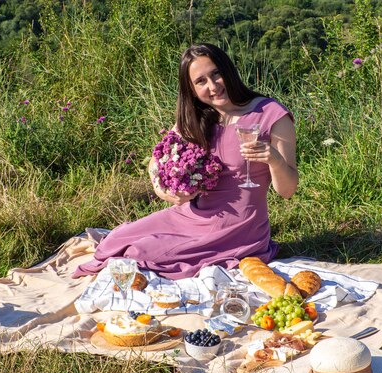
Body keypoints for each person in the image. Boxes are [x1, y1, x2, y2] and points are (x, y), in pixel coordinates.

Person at [72, 43, 298, 281]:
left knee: (135, 254)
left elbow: (287, 191)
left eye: (216, 74)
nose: (212, 86)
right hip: (190, 215)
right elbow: (156, 160)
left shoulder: (271, 113)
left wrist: (274, 159)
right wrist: (164, 192)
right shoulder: (198, 118)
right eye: (201, 81)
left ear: (228, 70)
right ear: (191, 89)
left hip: (237, 228)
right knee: (113, 242)